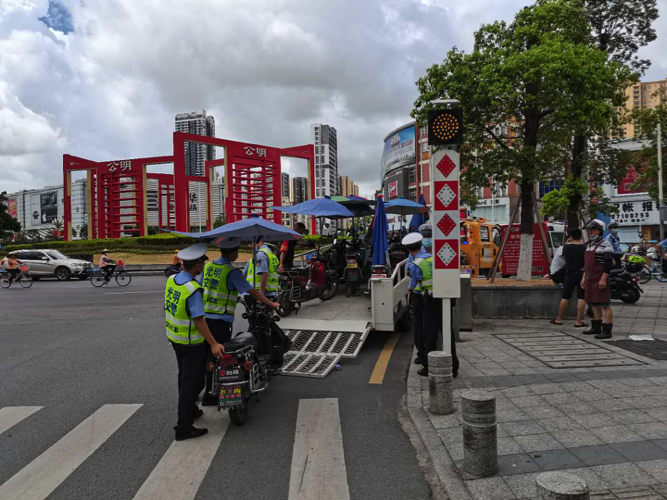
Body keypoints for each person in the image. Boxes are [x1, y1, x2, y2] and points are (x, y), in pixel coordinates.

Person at [199, 238, 279, 407]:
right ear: (233, 252)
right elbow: (253, 292)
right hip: (221, 320)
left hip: (204, 320)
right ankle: (211, 393)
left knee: (207, 356)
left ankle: (205, 391)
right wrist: (271, 303)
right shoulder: (231, 272)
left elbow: (200, 287)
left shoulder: (208, 267)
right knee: (221, 357)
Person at [165, 243, 225, 441]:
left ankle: (190, 409)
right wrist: (214, 344)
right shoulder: (193, 289)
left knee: (185, 377)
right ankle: (183, 427)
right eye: (202, 263)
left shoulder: (172, 279)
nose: (203, 267)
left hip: (176, 339)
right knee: (193, 382)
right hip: (192, 343)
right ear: (198, 266)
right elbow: (199, 320)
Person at [403, 232, 459, 378]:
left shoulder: (416, 264)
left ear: (409, 250)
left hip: (428, 300)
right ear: (421, 245)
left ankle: (428, 366)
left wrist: (409, 288)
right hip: (444, 297)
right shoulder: (436, 258)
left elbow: (413, 282)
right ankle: (454, 366)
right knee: (447, 331)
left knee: (429, 333)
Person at [581, 219, 615, 339]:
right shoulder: (588, 245)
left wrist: (603, 279)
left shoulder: (606, 244)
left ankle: (607, 330)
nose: (590, 232)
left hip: (600, 278)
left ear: (599, 231)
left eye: (593, 230)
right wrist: (584, 277)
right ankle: (596, 327)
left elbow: (608, 264)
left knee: (605, 304)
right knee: (594, 304)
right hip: (590, 278)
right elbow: (586, 264)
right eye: (589, 230)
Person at [551, 230, 587, 327]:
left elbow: (563, 255)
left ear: (571, 237)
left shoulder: (566, 247)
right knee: (581, 298)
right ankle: (578, 322)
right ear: (581, 237)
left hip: (569, 275)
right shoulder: (585, 248)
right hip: (581, 275)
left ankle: (559, 319)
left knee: (565, 297)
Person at [406, 224, 431, 365]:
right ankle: (426, 352)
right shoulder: (437, 248)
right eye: (425, 235)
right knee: (428, 324)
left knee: (420, 324)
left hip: (419, 294)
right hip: (433, 294)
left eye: (428, 235)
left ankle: (423, 354)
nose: (427, 238)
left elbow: (410, 272)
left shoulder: (415, 254)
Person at [244, 236, 280, 304]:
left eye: (250, 243)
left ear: (256, 241)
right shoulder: (273, 256)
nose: (250, 246)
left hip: (258, 295)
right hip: (272, 293)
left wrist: (261, 295)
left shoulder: (260, 255)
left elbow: (264, 274)